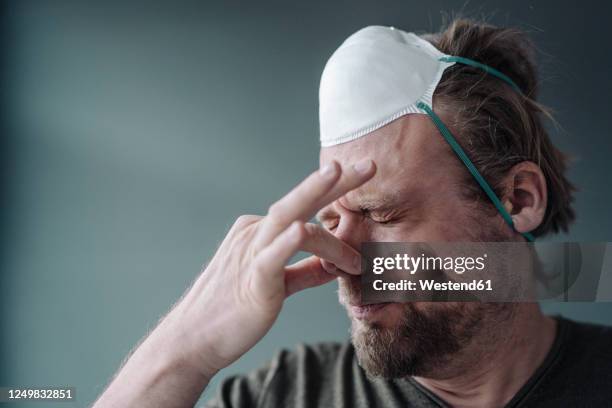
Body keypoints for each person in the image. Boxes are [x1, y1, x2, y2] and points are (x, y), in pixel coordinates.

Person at [94, 18, 612, 408]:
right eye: (334, 219)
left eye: (382, 215)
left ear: (518, 199)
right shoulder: (289, 395)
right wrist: (185, 352)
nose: (347, 259)